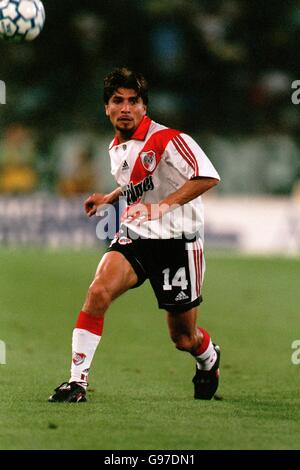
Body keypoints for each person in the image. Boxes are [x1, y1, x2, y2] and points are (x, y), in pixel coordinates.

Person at [48, 67, 221, 403]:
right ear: (107, 108)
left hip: (178, 244)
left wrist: (163, 207)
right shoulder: (116, 146)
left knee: (184, 338)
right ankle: (76, 383)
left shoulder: (170, 139)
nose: (125, 107)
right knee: (98, 292)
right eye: (118, 101)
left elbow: (207, 177)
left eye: (133, 101)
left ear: (145, 107)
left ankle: (208, 359)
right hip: (135, 235)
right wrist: (110, 197)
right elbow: (135, 184)